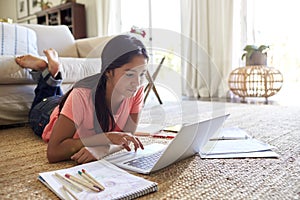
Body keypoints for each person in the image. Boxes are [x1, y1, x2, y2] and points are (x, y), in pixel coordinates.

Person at [15, 35, 148, 164]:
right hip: (46, 113)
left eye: (142, 74)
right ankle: (47, 71)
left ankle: (50, 72)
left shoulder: (136, 90)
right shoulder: (81, 94)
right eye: (130, 74)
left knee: (60, 97)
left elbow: (127, 137)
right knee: (44, 98)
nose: (137, 82)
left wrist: (103, 149)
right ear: (108, 71)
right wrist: (106, 138)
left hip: (68, 104)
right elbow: (54, 152)